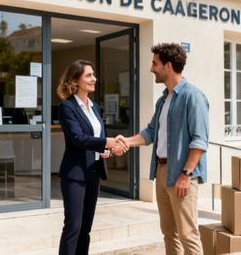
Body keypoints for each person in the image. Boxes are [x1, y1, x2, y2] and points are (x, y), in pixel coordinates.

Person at [116, 43, 208, 255]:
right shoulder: (163, 99)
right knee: (169, 232)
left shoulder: (192, 96)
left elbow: (199, 141)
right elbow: (150, 132)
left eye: (154, 63)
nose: (151, 68)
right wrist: (127, 142)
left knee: (187, 234)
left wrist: (186, 175)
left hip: (182, 173)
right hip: (161, 171)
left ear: (168, 66)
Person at [56, 60, 127, 255]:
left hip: (93, 173)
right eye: (88, 75)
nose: (93, 78)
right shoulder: (67, 107)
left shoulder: (94, 106)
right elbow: (78, 138)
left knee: (86, 229)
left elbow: (96, 137)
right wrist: (107, 142)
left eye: (93, 74)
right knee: (73, 227)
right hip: (75, 174)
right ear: (75, 80)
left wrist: (107, 149)